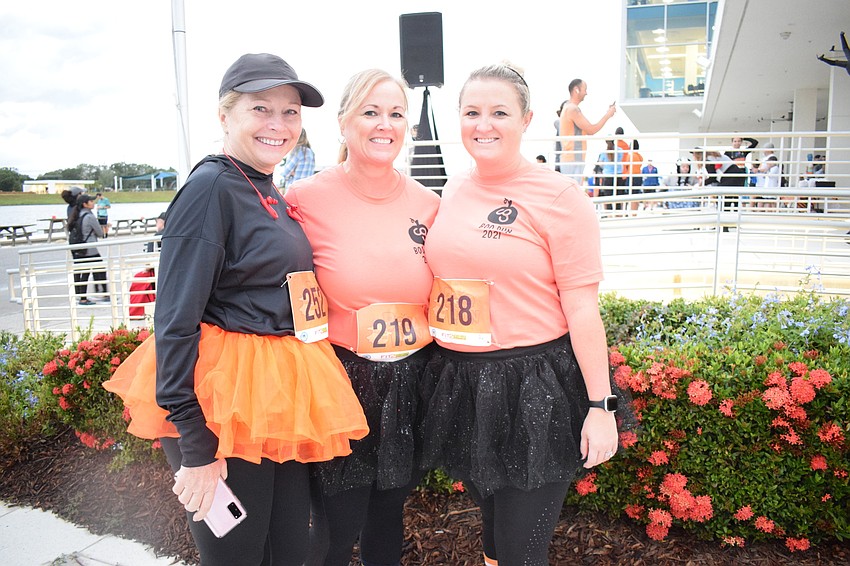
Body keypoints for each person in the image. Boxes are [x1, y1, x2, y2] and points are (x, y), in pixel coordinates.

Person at [103, 53, 368, 566]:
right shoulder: (210, 189)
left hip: (273, 393)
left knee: (295, 549)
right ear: (225, 116)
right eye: (261, 108)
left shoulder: (262, 186)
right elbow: (175, 319)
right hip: (224, 403)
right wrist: (196, 445)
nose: (279, 124)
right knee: (239, 555)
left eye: (291, 112)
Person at [420, 64, 633, 566]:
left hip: (534, 386)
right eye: (472, 112)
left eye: (499, 112)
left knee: (521, 550)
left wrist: (601, 407)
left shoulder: (560, 197)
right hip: (465, 385)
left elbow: (582, 307)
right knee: (493, 537)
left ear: (527, 118)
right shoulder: (453, 189)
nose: (483, 124)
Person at [285, 68, 441, 566]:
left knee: (388, 513)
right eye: (371, 112)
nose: (384, 124)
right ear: (344, 123)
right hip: (339, 381)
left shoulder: (430, 204)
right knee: (335, 527)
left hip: (410, 382)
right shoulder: (304, 199)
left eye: (396, 114)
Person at [558, 79, 616, 182]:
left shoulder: (568, 107)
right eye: (585, 89)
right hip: (573, 158)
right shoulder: (572, 109)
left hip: (571, 158)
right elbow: (591, 130)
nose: (586, 93)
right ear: (576, 90)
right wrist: (608, 115)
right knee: (573, 193)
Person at [67, 193, 108, 305]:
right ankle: (104, 294)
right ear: (85, 204)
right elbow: (100, 233)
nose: (93, 203)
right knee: (100, 269)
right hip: (90, 249)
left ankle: (83, 297)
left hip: (80, 249)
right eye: (91, 201)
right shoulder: (89, 216)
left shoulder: (77, 215)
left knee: (84, 273)